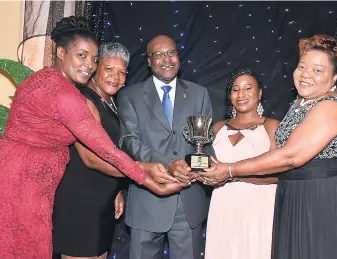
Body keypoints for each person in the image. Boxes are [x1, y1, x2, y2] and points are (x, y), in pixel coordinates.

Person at [0, 17, 184, 259]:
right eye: (82, 56)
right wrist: (147, 177)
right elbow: (104, 151)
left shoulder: (43, 78)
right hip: (27, 182)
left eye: (93, 59)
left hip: (24, 176)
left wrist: (119, 187)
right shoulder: (69, 96)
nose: (88, 64)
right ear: (62, 52)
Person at [198, 35, 337, 259]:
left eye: (318, 70)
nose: (306, 74)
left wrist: (230, 170)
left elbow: (291, 156)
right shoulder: (302, 101)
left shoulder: (331, 107)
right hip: (296, 195)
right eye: (302, 66)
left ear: (335, 77)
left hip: (322, 198)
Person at [53, 42, 162, 259]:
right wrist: (139, 171)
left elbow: (111, 149)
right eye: (109, 69)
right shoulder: (83, 100)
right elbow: (91, 159)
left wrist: (116, 190)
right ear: (96, 69)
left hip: (101, 201)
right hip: (80, 203)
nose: (115, 77)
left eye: (122, 72)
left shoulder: (110, 102)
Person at [117, 35, 213, 259]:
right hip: (147, 200)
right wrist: (167, 163)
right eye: (158, 55)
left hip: (189, 199)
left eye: (171, 52)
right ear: (149, 61)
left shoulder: (199, 93)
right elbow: (128, 141)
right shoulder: (129, 95)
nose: (167, 59)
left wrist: (208, 168)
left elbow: (205, 143)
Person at [204, 68, 279, 259]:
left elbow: (280, 174)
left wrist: (231, 174)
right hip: (222, 207)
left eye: (248, 88)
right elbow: (202, 163)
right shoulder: (216, 128)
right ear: (229, 96)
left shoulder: (271, 126)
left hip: (259, 209)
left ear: (259, 93)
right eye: (235, 89)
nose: (241, 94)